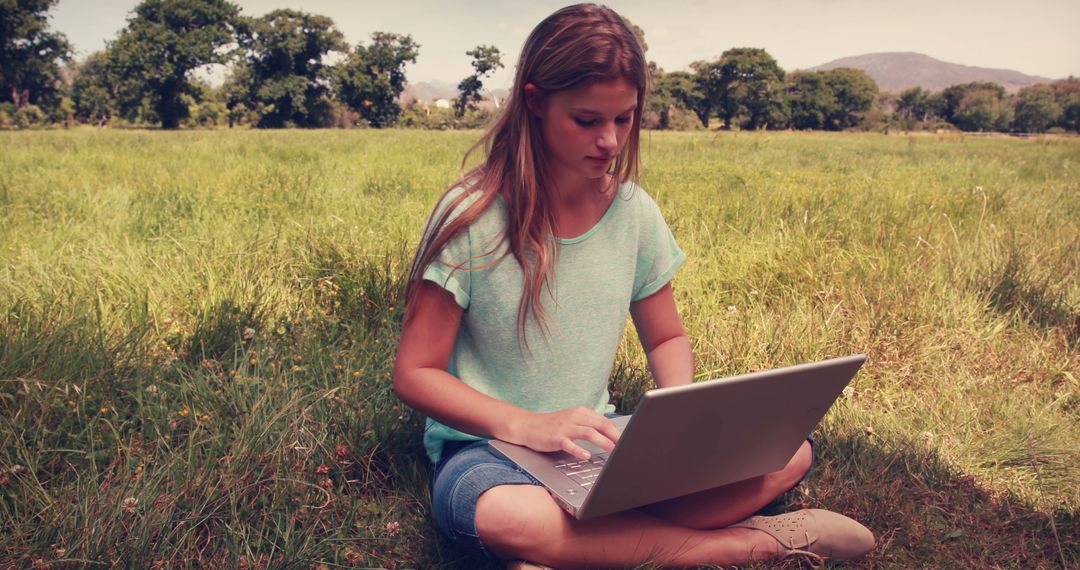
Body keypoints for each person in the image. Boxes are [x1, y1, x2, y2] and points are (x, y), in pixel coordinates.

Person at [393, 4, 875, 568]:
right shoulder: (472, 214)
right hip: (489, 450)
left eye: (624, 120)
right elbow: (415, 373)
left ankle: (582, 549)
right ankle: (750, 546)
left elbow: (667, 339)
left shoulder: (632, 212)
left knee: (788, 452)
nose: (610, 141)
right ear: (534, 102)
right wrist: (528, 425)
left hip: (600, 446)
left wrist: (676, 424)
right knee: (500, 514)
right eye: (587, 119)